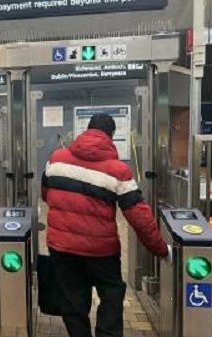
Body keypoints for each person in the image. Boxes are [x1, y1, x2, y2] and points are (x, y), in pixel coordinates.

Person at [41, 114, 169, 337]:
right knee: (111, 294)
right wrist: (159, 248)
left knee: (72, 299)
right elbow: (139, 216)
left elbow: (46, 194)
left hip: (62, 247)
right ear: (111, 136)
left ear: (86, 130)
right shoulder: (118, 170)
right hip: (100, 251)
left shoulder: (56, 159)